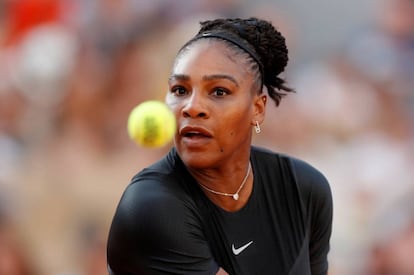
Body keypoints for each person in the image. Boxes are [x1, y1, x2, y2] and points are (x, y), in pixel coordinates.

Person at [107, 17, 333, 275]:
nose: (192, 107)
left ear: (257, 109)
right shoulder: (150, 205)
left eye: (219, 92)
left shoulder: (305, 189)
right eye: (180, 90)